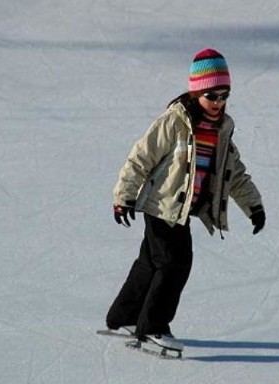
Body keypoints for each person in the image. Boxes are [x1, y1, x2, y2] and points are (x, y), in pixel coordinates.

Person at [105, 48, 265, 351]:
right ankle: (152, 327)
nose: (218, 102)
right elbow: (140, 158)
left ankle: (123, 316)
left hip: (182, 210)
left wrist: (253, 205)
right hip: (162, 206)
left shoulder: (221, 130)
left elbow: (235, 173)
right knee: (175, 263)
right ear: (196, 92)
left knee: (150, 263)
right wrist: (123, 197)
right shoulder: (175, 122)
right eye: (211, 95)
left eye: (224, 95)